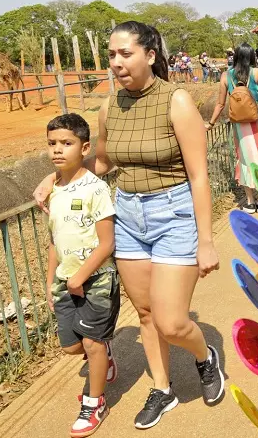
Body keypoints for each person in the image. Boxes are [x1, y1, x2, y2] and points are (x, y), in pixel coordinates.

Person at [34, 22, 224, 430]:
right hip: (130, 215)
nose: (116, 63)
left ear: (150, 55)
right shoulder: (109, 106)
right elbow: (102, 163)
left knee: (173, 320)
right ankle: (162, 387)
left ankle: (205, 358)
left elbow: (199, 176)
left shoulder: (176, 101)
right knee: (146, 314)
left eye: (125, 53)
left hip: (174, 213)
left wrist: (206, 240)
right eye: (112, 55)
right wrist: (59, 174)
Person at [45, 113, 118, 437]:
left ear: (85, 147)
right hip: (65, 281)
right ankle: (104, 354)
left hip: (98, 280)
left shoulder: (95, 188)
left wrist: (82, 276)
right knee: (71, 347)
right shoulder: (53, 191)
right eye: (52, 144)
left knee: (91, 343)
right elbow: (53, 241)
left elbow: (107, 243)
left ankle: (94, 402)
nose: (58, 150)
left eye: (66, 143)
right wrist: (52, 282)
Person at [207, 43, 258, 212]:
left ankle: (250, 202)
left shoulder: (225, 76)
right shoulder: (256, 72)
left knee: (245, 160)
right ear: (252, 57)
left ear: (235, 56)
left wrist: (211, 123)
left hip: (240, 124)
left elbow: (220, 104)